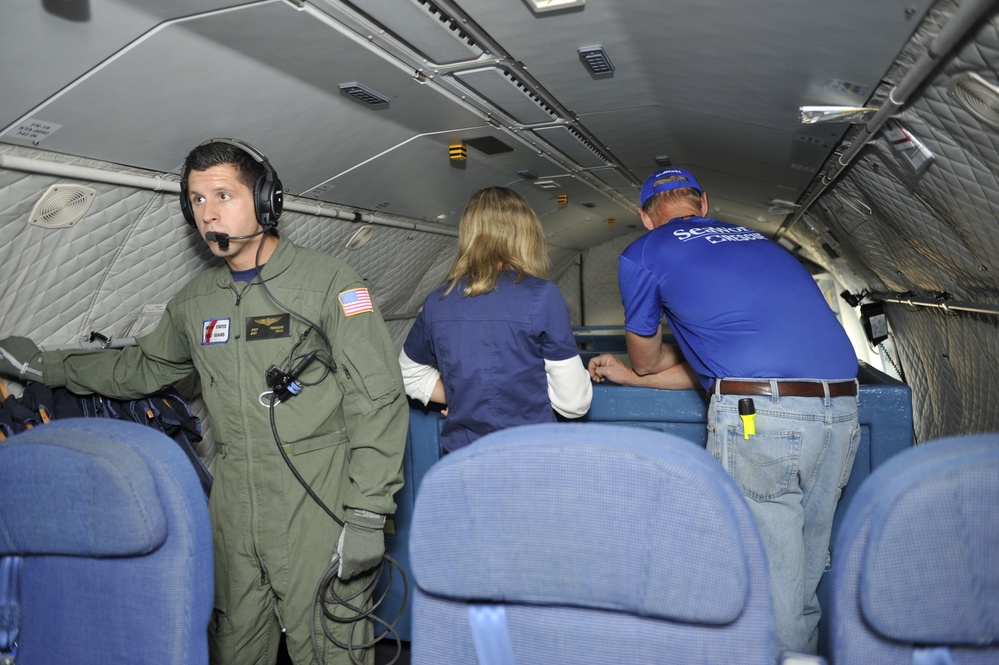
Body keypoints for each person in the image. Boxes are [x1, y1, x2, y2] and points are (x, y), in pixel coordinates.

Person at [0, 138, 408, 665]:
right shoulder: (195, 302)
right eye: (196, 200)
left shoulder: (331, 285)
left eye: (223, 195)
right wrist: (43, 366)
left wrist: (368, 514)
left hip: (318, 496)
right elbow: (141, 366)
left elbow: (376, 399)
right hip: (234, 501)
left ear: (265, 201)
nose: (209, 213)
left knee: (331, 644)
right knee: (233, 644)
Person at [591, 166, 860, 657]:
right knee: (800, 574)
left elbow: (648, 362)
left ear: (645, 217)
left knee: (764, 572)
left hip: (761, 418)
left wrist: (637, 373)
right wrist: (635, 374)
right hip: (841, 410)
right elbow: (725, 360)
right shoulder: (762, 242)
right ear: (704, 203)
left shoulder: (645, 252)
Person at [399, 186, 591, 452]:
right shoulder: (542, 296)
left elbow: (409, 373)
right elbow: (574, 404)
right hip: (531, 457)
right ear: (526, 234)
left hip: (463, 461)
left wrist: (462, 398)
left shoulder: (437, 301)